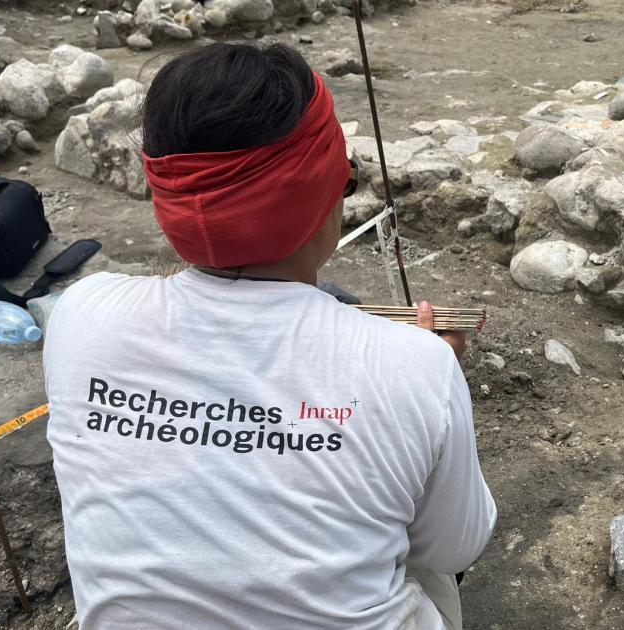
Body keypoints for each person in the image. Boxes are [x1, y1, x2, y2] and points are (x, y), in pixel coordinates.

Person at [43, 42, 495, 629]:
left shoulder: (79, 313)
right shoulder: (416, 364)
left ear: (162, 189)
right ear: (324, 185)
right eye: (345, 172)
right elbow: (456, 548)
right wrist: (431, 378)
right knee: (425, 561)